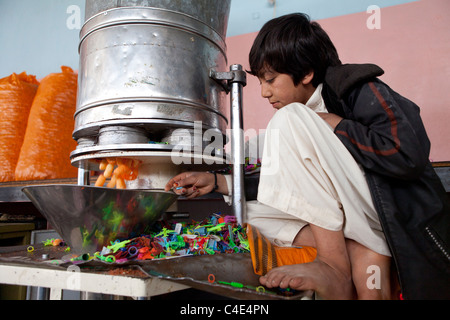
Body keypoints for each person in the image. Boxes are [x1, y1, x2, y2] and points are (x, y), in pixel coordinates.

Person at [165, 13, 450, 300]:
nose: (264, 93)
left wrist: (339, 125)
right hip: (356, 217)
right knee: (248, 211)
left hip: (393, 213)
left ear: (306, 73)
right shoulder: (306, 120)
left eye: (271, 80)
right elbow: (292, 183)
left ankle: (333, 265)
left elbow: (407, 153)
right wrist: (217, 182)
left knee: (287, 120)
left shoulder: (357, 88)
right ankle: (356, 246)